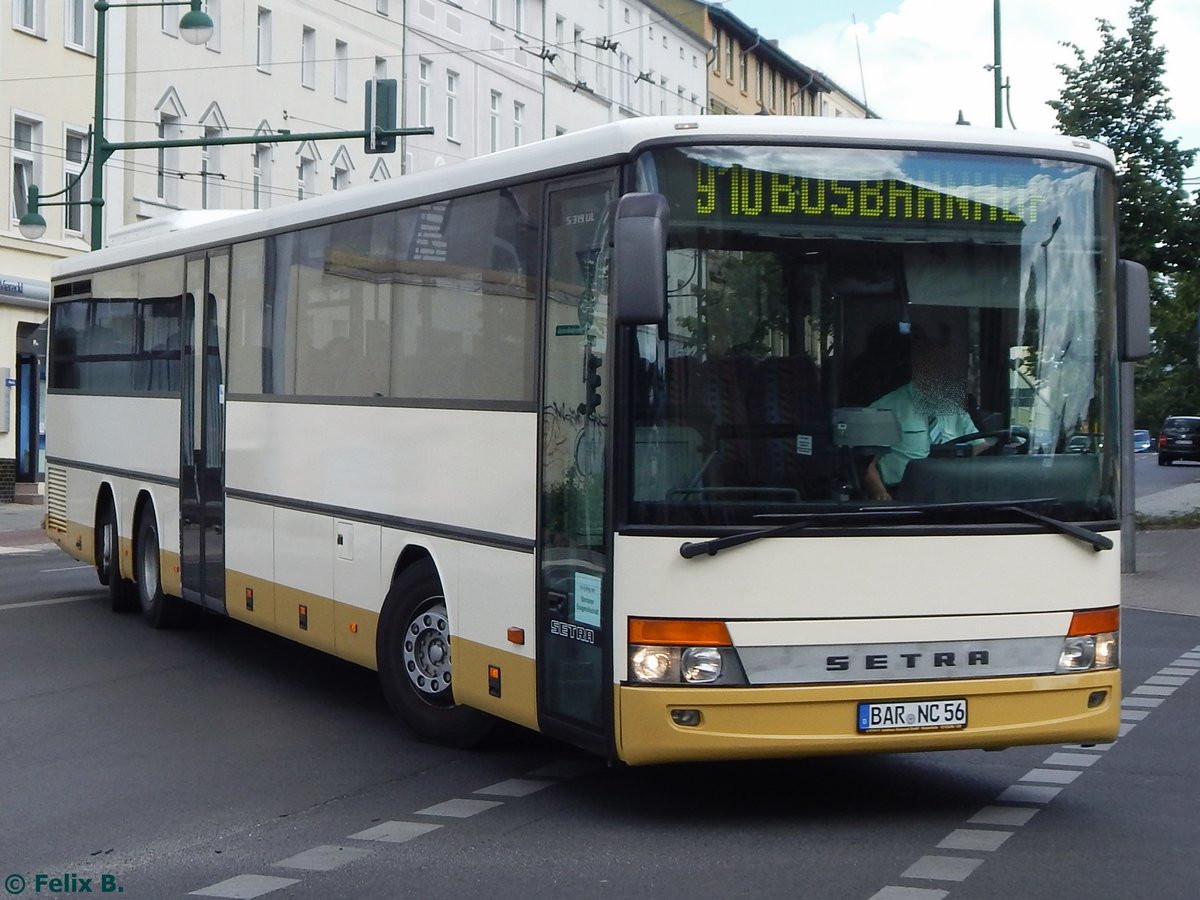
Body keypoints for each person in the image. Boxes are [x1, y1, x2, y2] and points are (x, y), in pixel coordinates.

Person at [862, 325, 984, 501]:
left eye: (946, 364)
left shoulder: (952, 405)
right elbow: (866, 463)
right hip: (903, 496)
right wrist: (879, 492)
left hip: (952, 495)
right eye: (934, 363)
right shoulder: (885, 407)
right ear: (918, 366)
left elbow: (978, 446)